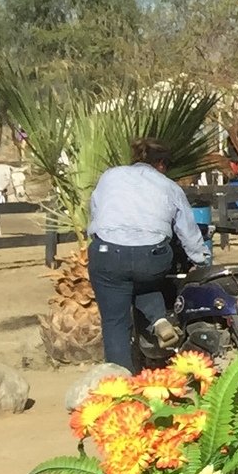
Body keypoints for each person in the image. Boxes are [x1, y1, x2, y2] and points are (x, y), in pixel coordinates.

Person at [86, 137, 208, 367]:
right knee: (143, 281)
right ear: (161, 164)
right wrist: (201, 261)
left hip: (108, 251)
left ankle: (122, 383)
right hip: (151, 257)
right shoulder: (169, 187)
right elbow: (187, 230)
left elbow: (96, 210)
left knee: (115, 321)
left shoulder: (110, 176)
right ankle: (158, 318)